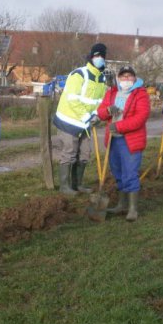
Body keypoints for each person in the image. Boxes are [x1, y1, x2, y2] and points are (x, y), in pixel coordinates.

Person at [95, 65, 150, 222]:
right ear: (118, 78)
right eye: (123, 76)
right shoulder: (112, 92)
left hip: (130, 140)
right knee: (118, 173)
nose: (126, 79)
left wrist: (118, 126)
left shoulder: (140, 94)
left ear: (135, 78)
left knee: (130, 173)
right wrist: (108, 111)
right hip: (114, 140)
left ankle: (132, 209)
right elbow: (101, 111)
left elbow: (141, 117)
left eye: (129, 76)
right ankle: (121, 204)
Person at [53, 43, 108, 195]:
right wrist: (87, 116)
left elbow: (100, 102)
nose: (99, 59)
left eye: (102, 56)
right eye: (97, 56)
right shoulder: (79, 74)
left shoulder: (102, 79)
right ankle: (65, 186)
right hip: (68, 120)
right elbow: (72, 99)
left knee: (85, 153)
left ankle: (78, 184)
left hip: (86, 124)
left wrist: (97, 115)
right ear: (91, 57)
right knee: (69, 152)